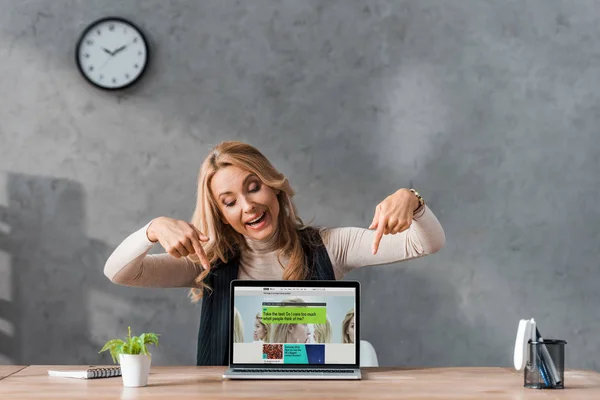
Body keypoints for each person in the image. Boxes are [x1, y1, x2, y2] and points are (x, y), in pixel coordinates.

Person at [103, 141, 445, 365]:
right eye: (230, 201)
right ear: (221, 215)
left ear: (274, 187)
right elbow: (119, 272)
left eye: (254, 187)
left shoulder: (330, 246)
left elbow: (425, 242)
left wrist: (412, 200)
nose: (248, 205)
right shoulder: (208, 263)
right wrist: (152, 229)